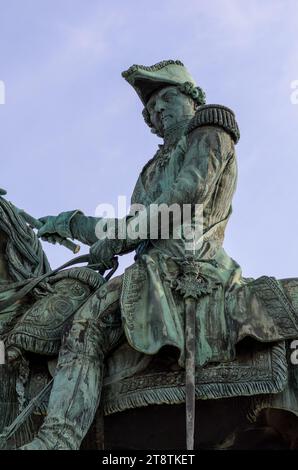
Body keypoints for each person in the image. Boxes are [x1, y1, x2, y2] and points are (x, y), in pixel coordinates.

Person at [16, 60, 296, 450]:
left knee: (86, 328)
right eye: (148, 110)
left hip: (191, 267)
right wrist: (66, 223)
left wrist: (121, 237)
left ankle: (57, 438)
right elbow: (128, 224)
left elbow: (184, 198)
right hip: (151, 268)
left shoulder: (210, 132)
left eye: (165, 98)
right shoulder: (149, 172)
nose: (155, 112)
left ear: (191, 97)